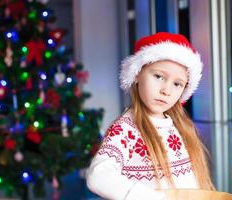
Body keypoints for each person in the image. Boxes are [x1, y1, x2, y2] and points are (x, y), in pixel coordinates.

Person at [86, 32, 215, 200]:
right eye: (159, 76)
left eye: (177, 84)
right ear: (137, 74)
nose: (166, 91)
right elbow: (98, 176)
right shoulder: (126, 129)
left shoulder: (180, 126)